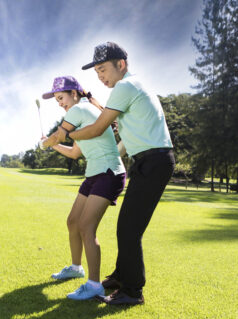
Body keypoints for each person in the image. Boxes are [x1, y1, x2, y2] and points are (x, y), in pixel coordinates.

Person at [52, 42, 175, 305]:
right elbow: (110, 123)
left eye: (103, 69)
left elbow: (97, 128)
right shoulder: (129, 88)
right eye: (96, 72)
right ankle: (121, 276)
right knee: (126, 227)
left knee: (129, 229)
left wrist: (65, 134)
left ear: (121, 64)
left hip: (154, 160)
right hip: (146, 161)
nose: (100, 76)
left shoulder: (125, 86)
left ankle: (132, 291)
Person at [39, 76, 126, 301]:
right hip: (94, 174)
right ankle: (76, 267)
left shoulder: (78, 111)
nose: (59, 103)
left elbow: (58, 135)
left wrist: (45, 142)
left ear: (74, 94)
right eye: (57, 99)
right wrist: (53, 144)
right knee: (73, 222)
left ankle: (94, 285)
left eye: (61, 97)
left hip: (109, 173)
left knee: (87, 227)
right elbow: (75, 152)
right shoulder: (81, 116)